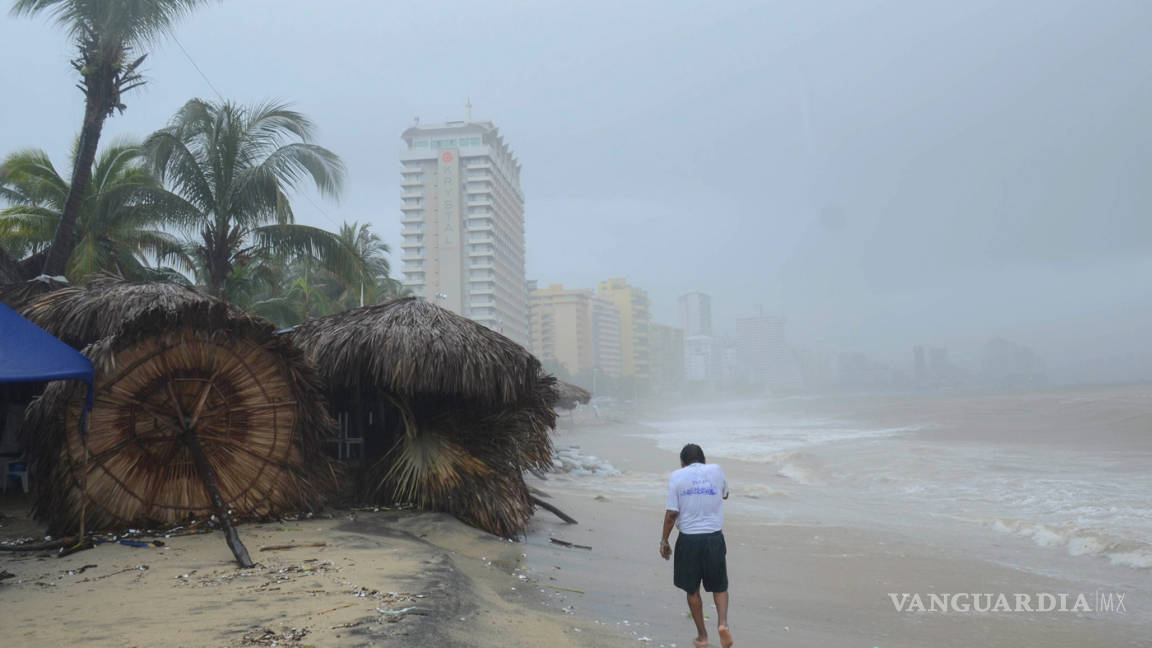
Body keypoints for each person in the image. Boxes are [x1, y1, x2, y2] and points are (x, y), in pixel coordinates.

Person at [660, 443, 733, 648]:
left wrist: (664, 540)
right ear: (705, 460)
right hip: (714, 538)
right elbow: (725, 494)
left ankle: (702, 637)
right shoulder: (716, 470)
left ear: (682, 463)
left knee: (692, 590)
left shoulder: (677, 476)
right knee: (720, 586)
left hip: (689, 540)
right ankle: (723, 624)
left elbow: (671, 514)